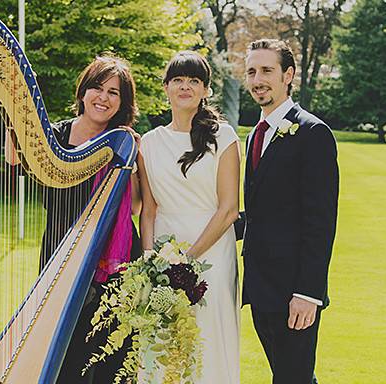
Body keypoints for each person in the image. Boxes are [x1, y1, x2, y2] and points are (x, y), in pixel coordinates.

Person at [10, 55, 143, 383]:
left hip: (116, 262)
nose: (103, 97)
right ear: (83, 93)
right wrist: (14, 104)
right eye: (97, 88)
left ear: (122, 103)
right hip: (59, 255)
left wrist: (132, 162)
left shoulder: (125, 143)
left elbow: (137, 207)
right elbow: (13, 158)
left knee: (109, 360)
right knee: (62, 355)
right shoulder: (52, 135)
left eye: (114, 93)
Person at [138, 51, 241, 383]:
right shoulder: (149, 143)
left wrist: (188, 259)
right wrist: (150, 260)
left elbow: (228, 210)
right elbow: (149, 210)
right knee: (161, 341)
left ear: (206, 90)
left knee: (208, 339)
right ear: (166, 88)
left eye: (194, 81)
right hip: (163, 249)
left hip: (211, 250)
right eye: (178, 80)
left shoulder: (224, 138)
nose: (185, 87)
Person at [241, 39, 339, 384]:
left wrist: (308, 293)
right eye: (252, 71)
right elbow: (260, 211)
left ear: (288, 75)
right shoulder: (256, 133)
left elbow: (321, 222)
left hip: (294, 292)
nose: (257, 79)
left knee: (294, 378)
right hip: (260, 286)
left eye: (267, 70)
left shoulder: (313, 133)